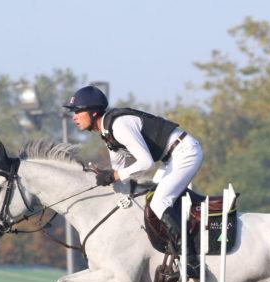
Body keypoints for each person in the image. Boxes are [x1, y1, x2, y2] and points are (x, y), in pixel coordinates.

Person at [63, 85, 203, 250]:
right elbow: (118, 170)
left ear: (94, 112)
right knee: (149, 198)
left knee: (159, 203)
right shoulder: (107, 133)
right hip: (171, 158)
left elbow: (145, 163)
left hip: (185, 152)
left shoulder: (119, 126)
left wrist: (114, 176)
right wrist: (107, 177)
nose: (74, 117)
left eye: (78, 111)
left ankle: (190, 255)